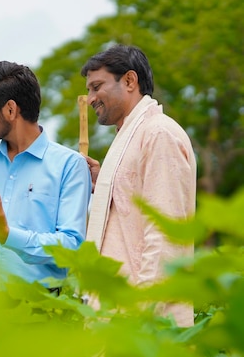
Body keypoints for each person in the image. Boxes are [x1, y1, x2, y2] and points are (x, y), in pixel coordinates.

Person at [0, 61, 91, 290]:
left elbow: (71, 246)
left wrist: (6, 235)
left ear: (11, 110)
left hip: (41, 313)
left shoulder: (70, 166)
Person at [80, 44, 196, 326]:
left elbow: (165, 236)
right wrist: (105, 180)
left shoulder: (159, 133)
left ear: (130, 81)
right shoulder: (129, 136)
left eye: (97, 87)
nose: (90, 98)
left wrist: (138, 316)